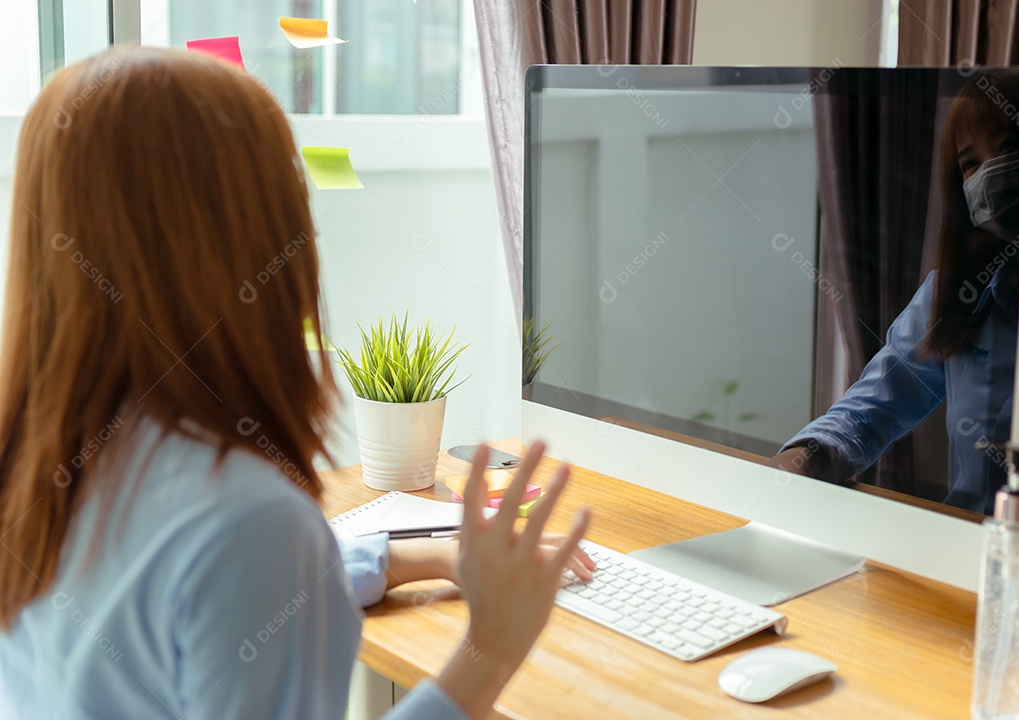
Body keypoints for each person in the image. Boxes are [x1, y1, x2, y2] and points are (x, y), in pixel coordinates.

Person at [0, 46, 594, 719]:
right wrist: (491, 648)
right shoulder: (249, 520)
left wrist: (420, 557)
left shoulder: (40, 462)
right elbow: (235, 564)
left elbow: (204, 595)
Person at [772, 70, 1019, 515]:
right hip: (967, 546)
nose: (990, 173)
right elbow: (877, 402)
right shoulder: (954, 292)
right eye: (970, 163)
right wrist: (806, 455)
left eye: (1007, 148)